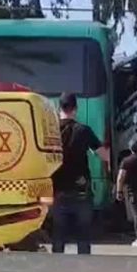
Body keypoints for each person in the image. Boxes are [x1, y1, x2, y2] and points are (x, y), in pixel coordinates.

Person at [51, 92, 110, 255]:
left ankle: (56, 271)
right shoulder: (84, 130)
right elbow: (104, 155)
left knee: (58, 234)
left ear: (58, 108)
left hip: (57, 191)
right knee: (83, 234)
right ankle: (83, 270)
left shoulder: (50, 132)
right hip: (81, 190)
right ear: (75, 109)